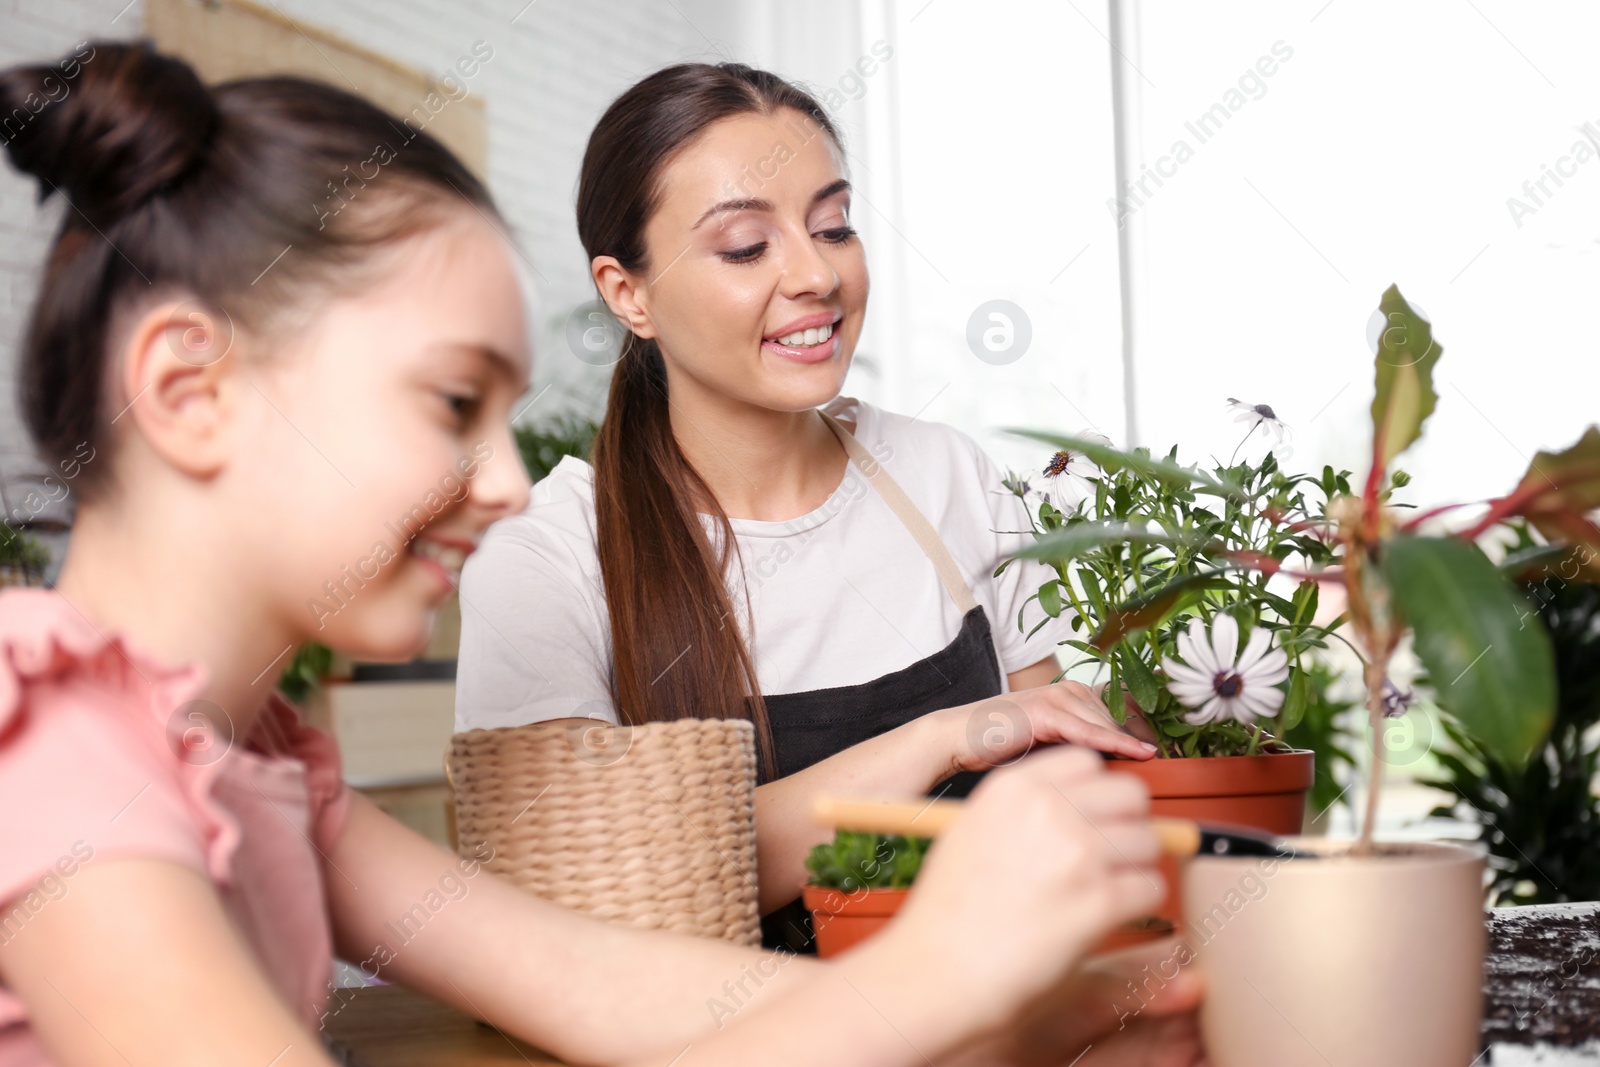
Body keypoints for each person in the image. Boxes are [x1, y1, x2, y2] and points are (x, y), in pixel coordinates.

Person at [0, 41, 1207, 1067]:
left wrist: (1083, 1000)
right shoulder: (53, 764)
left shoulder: (259, 761)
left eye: (833, 224)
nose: (507, 480)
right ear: (187, 390)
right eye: (450, 402)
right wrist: (950, 962)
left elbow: (623, 993)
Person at [453, 62, 1154, 947]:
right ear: (628, 293)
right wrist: (954, 735)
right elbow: (573, 906)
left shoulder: (948, 476)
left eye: (833, 225)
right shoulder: (548, 560)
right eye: (747, 246)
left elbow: (1059, 798)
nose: (815, 273)